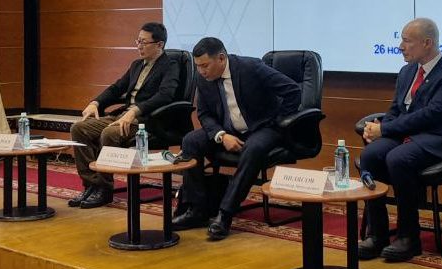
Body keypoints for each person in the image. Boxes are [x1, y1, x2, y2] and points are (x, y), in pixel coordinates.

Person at [358, 18, 442, 262]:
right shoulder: (407, 71)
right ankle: (377, 235)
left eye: (407, 41)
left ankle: (409, 238)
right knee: (370, 155)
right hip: (406, 136)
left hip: (435, 139)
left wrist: (385, 129)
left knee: (398, 158)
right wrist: (378, 128)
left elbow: (430, 116)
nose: (400, 46)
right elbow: (396, 109)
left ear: (427, 43)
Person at [171, 37, 300, 240]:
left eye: (205, 65)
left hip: (263, 128)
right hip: (228, 130)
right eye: (198, 66)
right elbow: (204, 114)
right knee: (190, 141)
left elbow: (292, 90)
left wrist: (278, 122)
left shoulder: (251, 67)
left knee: (253, 148)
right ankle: (196, 210)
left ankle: (225, 214)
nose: (201, 71)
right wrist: (221, 135)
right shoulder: (203, 78)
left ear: (221, 58)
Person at [67, 22, 179, 208]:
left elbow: (165, 95)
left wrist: (135, 111)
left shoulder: (171, 65)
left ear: (159, 44)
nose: (139, 46)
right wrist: (95, 103)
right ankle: (91, 185)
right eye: (138, 41)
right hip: (122, 116)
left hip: (147, 120)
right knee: (79, 128)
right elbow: (117, 88)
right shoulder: (137, 65)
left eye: (144, 42)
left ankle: (104, 190)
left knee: (109, 133)